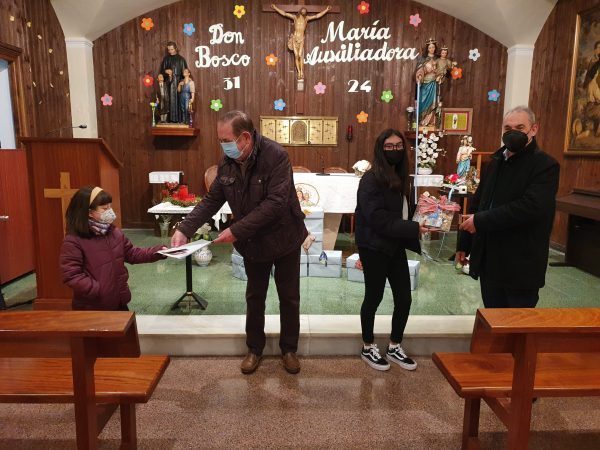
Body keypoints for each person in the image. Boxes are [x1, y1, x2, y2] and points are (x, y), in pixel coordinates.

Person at [171, 110, 308, 375]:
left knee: (289, 296)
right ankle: (254, 349)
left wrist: (236, 230)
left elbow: (275, 204)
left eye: (226, 140)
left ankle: (289, 349)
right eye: (220, 140)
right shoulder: (228, 163)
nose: (223, 146)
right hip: (254, 241)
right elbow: (213, 200)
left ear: (245, 137)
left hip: (285, 237)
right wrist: (185, 228)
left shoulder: (276, 156)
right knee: (255, 296)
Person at [456, 106, 560, 308]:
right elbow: (479, 203)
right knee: (493, 317)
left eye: (519, 128)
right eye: (507, 128)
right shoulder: (495, 162)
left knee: (517, 322)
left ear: (533, 129)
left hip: (520, 263)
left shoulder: (545, 165)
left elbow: (530, 207)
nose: (513, 133)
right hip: (490, 262)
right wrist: (464, 243)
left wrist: (481, 221)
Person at [355, 129, 426, 371]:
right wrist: (413, 228)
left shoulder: (401, 175)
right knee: (373, 297)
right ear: (380, 149)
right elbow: (377, 219)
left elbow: (402, 210)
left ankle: (395, 345)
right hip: (373, 246)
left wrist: (429, 212)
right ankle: (368, 346)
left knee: (404, 298)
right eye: (389, 146)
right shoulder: (371, 179)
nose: (394, 150)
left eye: (398, 146)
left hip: (394, 244)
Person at [60, 186, 166, 311]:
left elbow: (132, 253)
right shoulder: (74, 240)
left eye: (110, 207)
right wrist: (97, 290)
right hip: (93, 306)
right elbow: (72, 275)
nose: (110, 211)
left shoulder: (113, 232)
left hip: (119, 300)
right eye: (105, 208)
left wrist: (157, 252)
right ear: (89, 212)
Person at [271, 4, 332, 80]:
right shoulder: (295, 17)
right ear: (300, 11)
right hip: (295, 38)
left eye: (305, 11)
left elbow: (317, 16)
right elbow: (285, 14)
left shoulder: (306, 18)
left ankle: (302, 71)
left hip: (301, 39)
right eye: (302, 11)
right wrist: (275, 8)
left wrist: (326, 10)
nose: (303, 12)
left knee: (300, 55)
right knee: (296, 56)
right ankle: (299, 72)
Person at [159, 41, 188, 123]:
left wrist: (182, 82)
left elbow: (185, 73)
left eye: (172, 49)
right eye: (169, 50)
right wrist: (166, 71)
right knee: (168, 101)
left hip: (178, 83)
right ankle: (168, 120)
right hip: (169, 84)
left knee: (179, 101)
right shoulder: (166, 59)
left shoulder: (181, 59)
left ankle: (179, 120)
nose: (170, 51)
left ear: (176, 48)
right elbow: (161, 72)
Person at [415, 38, 439, 127]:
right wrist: (419, 75)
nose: (432, 49)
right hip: (424, 84)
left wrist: (440, 75)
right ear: (427, 49)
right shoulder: (423, 59)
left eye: (433, 47)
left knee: (433, 102)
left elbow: (441, 69)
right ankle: (422, 121)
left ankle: (431, 122)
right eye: (430, 47)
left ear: (435, 48)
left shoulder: (438, 59)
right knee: (423, 101)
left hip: (434, 83)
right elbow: (420, 69)